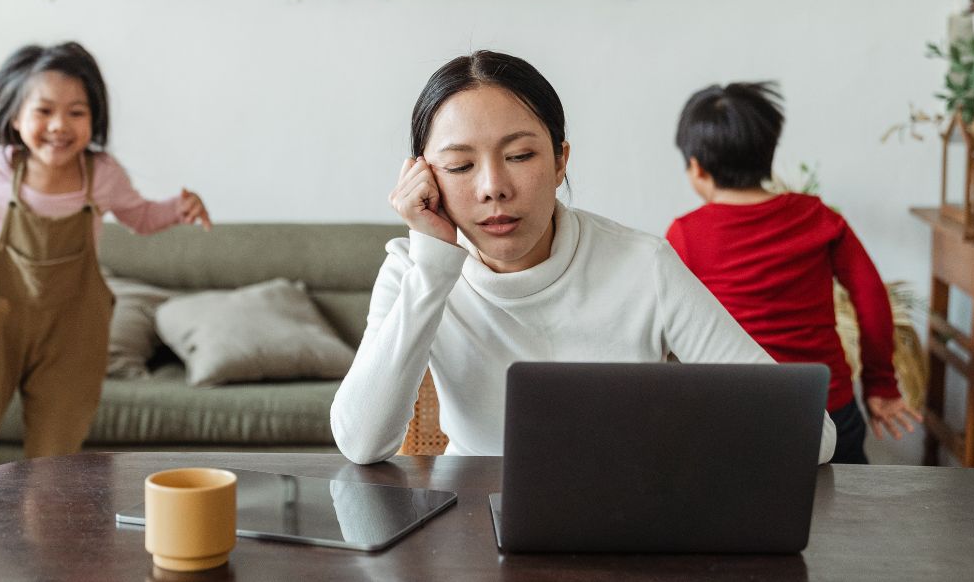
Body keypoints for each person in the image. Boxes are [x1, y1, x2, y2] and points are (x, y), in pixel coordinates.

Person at [330, 51, 836, 465]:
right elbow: (360, 443)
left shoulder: (644, 265)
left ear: (559, 162)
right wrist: (433, 267)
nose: (493, 189)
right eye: (460, 165)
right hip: (471, 523)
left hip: (624, 517)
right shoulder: (412, 271)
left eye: (521, 156)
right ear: (424, 178)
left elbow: (812, 436)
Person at [0, 41, 212, 511]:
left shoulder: (102, 175)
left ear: (94, 119)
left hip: (71, 333)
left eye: (76, 112)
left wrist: (178, 208)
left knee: (54, 471)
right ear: (14, 116)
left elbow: (141, 217)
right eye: (44, 110)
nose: (59, 126)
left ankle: (43, 564)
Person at [664, 81, 921, 464]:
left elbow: (669, 325)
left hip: (738, 415)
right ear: (768, 154)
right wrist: (880, 383)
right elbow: (871, 297)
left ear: (697, 168)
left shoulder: (685, 234)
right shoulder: (819, 217)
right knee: (847, 517)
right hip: (828, 408)